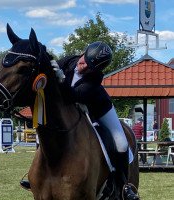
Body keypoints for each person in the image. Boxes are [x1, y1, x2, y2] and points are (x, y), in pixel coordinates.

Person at [20, 41, 139, 200]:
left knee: (122, 143)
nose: (83, 66)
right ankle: (40, 177)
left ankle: (124, 186)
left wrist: (61, 80)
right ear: (83, 53)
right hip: (74, 109)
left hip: (99, 109)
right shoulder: (70, 60)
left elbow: (72, 96)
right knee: (47, 129)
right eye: (84, 60)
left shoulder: (95, 79)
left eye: (89, 66)